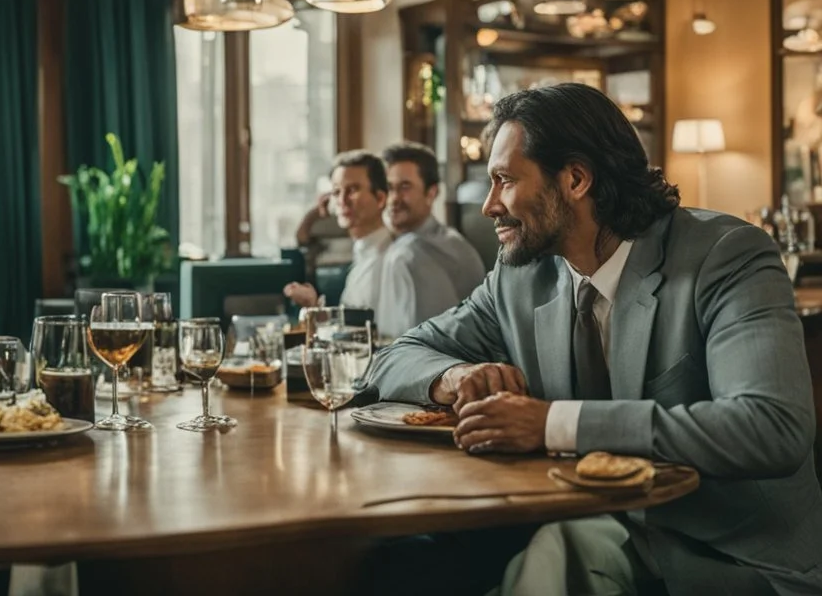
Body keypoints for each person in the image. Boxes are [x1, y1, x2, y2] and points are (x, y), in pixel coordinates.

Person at [369, 83, 822, 594]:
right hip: (588, 525)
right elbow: (392, 358)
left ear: (576, 179)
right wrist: (455, 375)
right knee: (399, 562)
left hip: (734, 557)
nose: (488, 206)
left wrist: (551, 423)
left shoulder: (725, 256)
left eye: (504, 181)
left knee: (552, 555)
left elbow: (772, 427)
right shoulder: (521, 277)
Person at [375, 142, 486, 337]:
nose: (393, 198)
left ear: (431, 193)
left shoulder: (410, 253)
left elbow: (422, 347)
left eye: (405, 187)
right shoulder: (440, 240)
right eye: (389, 188)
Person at [283, 150, 390, 313]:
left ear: (381, 199)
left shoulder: (392, 260)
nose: (342, 200)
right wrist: (313, 306)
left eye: (353, 190)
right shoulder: (363, 253)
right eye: (336, 192)